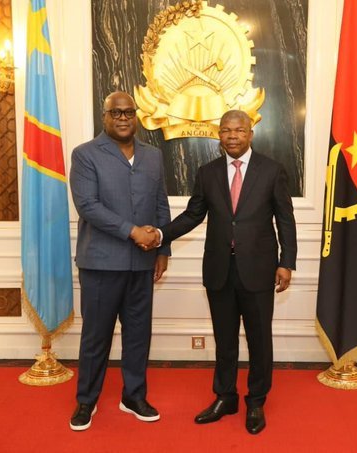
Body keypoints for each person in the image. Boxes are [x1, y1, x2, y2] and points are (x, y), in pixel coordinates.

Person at [157, 110, 297, 434]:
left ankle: (256, 401)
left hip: (258, 270)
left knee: (260, 340)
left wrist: (286, 262)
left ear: (250, 134)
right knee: (224, 340)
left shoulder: (271, 170)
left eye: (239, 130)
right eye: (226, 130)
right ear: (218, 134)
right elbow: (193, 215)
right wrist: (162, 234)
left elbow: (285, 220)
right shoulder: (207, 172)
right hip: (219, 270)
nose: (232, 136)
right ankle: (225, 397)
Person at [68, 91, 170, 431]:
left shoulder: (153, 155)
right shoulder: (85, 154)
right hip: (100, 264)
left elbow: (160, 203)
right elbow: (88, 206)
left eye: (128, 112)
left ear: (136, 115)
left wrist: (163, 249)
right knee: (96, 337)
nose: (123, 118)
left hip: (143, 264)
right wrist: (132, 231)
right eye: (116, 112)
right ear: (105, 116)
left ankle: (134, 396)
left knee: (139, 334)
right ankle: (86, 400)